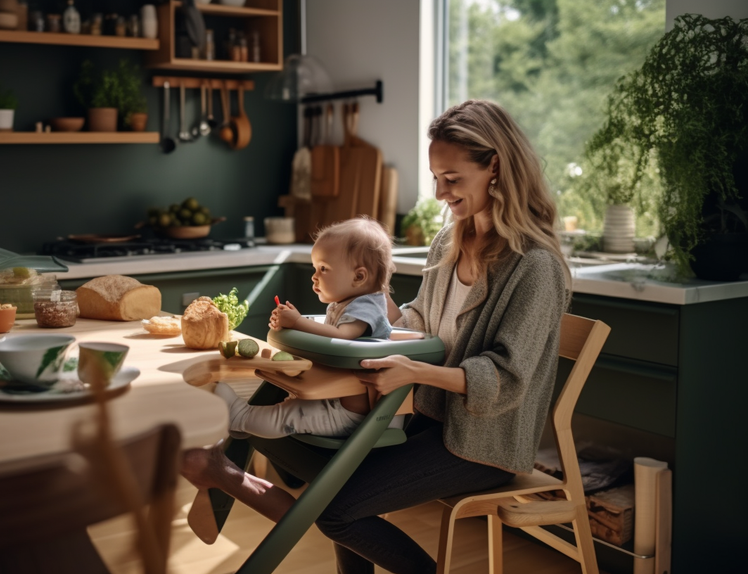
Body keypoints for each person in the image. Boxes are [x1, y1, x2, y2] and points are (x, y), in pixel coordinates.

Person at [182, 99, 570, 574]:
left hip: (482, 441)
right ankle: (221, 470)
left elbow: (506, 378)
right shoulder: (449, 242)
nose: (440, 192)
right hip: (422, 413)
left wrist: (414, 370)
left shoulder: (535, 267)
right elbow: (419, 322)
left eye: (453, 179)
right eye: (435, 177)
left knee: (336, 507)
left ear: (494, 167)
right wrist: (370, 301)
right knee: (269, 426)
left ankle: (222, 474)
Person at [214, 217, 396, 440]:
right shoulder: (347, 303)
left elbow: (343, 336)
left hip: (350, 415)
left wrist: (298, 322)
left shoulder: (366, 306)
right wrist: (292, 323)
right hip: (332, 399)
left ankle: (240, 418)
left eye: (323, 268)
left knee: (288, 415)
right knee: (289, 408)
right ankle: (244, 423)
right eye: (314, 268)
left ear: (358, 276)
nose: (314, 276)